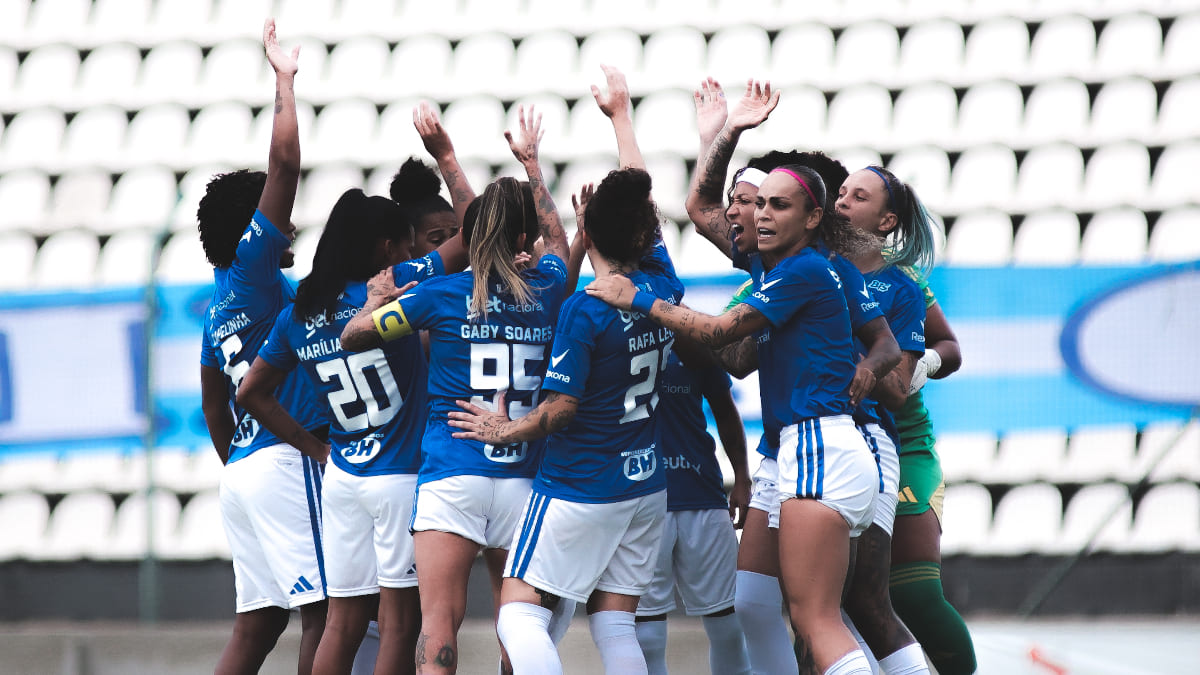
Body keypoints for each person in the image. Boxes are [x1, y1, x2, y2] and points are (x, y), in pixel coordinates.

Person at [587, 165, 879, 675]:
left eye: (777, 205)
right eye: (756, 202)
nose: (760, 213)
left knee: (817, 620)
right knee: (752, 603)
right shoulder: (785, 267)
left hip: (817, 446)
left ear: (814, 218)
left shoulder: (801, 271)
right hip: (799, 450)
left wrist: (639, 299)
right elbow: (700, 215)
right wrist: (722, 133)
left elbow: (721, 332)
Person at [340, 105, 571, 675]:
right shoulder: (547, 289)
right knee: (517, 627)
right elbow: (560, 244)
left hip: (451, 474)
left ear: (469, 236)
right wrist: (533, 167)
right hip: (522, 479)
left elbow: (355, 336)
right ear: (523, 237)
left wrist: (373, 304)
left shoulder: (438, 295)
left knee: (438, 626)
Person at [447, 165, 684, 675]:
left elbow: (561, 409)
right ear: (645, 232)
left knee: (518, 613)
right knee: (615, 624)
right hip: (645, 485)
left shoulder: (585, 308)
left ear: (589, 233)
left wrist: (503, 427)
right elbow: (648, 224)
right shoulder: (664, 286)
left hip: (581, 482)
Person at [237, 188, 467, 675]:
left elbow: (250, 394)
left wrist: (316, 448)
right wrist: (446, 157)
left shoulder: (297, 313)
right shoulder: (394, 284)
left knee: (341, 624)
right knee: (400, 625)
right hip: (399, 477)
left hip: (342, 478)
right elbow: (467, 241)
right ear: (385, 248)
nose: (412, 256)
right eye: (406, 246)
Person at [198, 19, 328, 675]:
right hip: (282, 459)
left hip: (244, 469)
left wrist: (239, 460)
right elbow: (284, 165)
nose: (291, 220)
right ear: (253, 228)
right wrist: (284, 80)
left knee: (259, 623)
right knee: (325, 611)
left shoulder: (219, 301)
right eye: (276, 216)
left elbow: (213, 407)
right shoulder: (253, 274)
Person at [835, 165, 939, 674]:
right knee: (813, 606)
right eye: (839, 193)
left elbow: (898, 390)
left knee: (869, 602)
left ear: (886, 220)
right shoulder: (808, 265)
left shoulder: (902, 288)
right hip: (806, 444)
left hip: (871, 443)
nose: (841, 202)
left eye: (858, 196)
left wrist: (862, 360)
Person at [633, 346, 752, 675]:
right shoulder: (611, 332)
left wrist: (742, 477)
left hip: (702, 494)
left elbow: (725, 412)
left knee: (728, 625)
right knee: (647, 633)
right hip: (638, 500)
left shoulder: (692, 340)